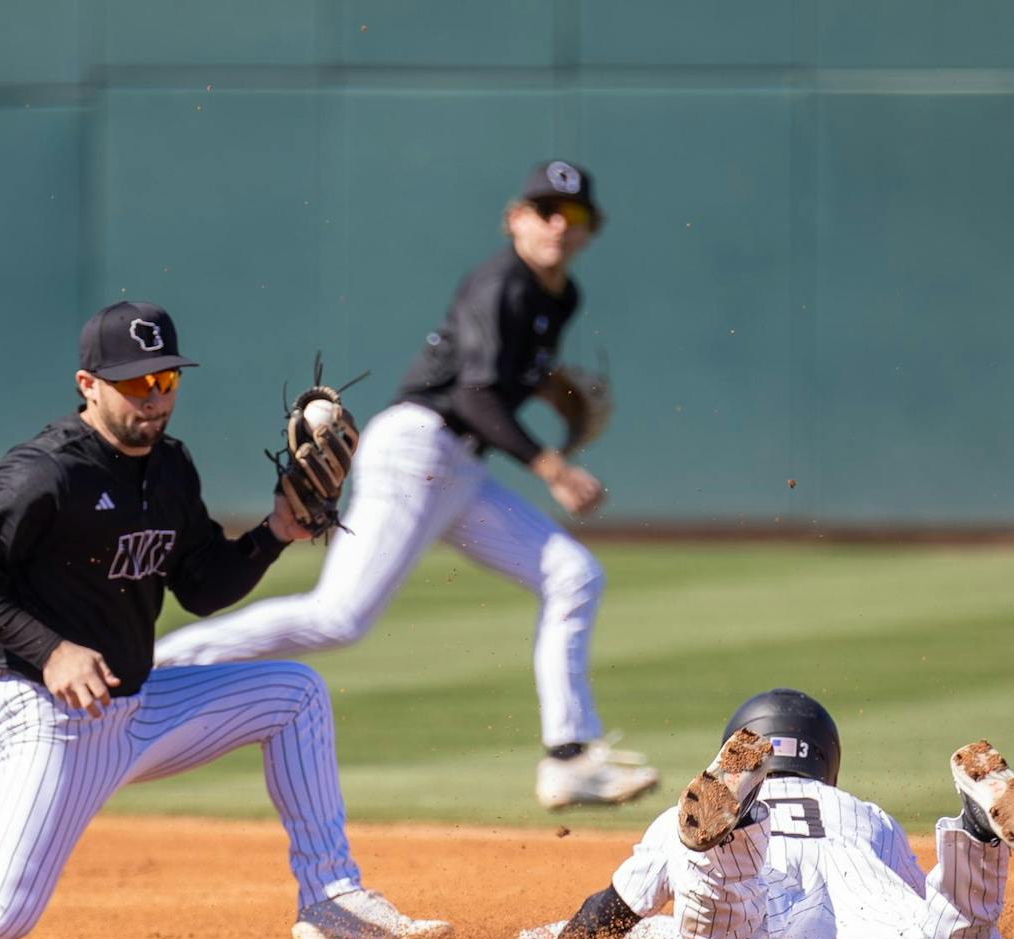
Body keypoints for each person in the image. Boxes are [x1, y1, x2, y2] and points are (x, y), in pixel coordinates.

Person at [0, 299, 451, 939]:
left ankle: (330, 898)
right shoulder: (44, 474)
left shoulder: (169, 468)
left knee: (295, 694)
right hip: (42, 714)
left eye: (165, 380)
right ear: (88, 384)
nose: (154, 398)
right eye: (137, 384)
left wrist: (275, 531)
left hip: (137, 708)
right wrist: (49, 650)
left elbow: (200, 587)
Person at [155, 160, 658, 811]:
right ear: (515, 218)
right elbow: (475, 393)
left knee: (575, 575)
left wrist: (544, 383)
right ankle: (156, 668)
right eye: (545, 210)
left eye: (576, 215)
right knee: (337, 617)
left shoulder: (560, 297)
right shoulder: (500, 281)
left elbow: (504, 373)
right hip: (418, 449)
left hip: (458, 468)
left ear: (591, 230)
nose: (560, 224)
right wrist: (553, 468)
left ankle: (568, 756)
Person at [518, 689, 1014, 939]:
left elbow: (601, 919)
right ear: (827, 759)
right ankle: (976, 832)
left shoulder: (675, 820)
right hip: (867, 936)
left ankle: (735, 837)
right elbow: (917, 902)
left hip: (764, 933)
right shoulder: (866, 813)